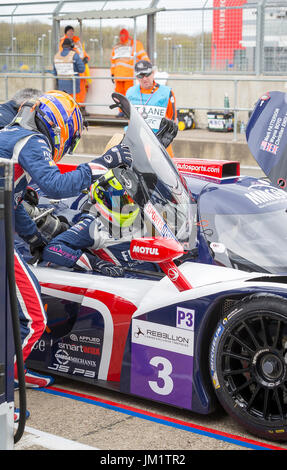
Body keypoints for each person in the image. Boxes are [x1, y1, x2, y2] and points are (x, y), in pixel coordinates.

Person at [0, 90, 132, 399]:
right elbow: (56, 185)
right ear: (61, 125)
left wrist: (33, 237)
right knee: (34, 318)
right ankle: (5, 392)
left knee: (12, 310)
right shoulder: (31, 142)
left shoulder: (12, 135)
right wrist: (104, 163)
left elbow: (14, 199)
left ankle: (14, 368)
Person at [126, 60, 178, 157]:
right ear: (136, 76)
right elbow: (129, 119)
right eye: (140, 76)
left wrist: (166, 136)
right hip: (138, 141)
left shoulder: (166, 92)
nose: (145, 79)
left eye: (147, 74)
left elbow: (173, 119)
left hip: (160, 141)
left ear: (153, 73)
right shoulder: (130, 92)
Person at [110, 28, 150, 115]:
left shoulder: (135, 44)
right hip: (118, 75)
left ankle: (128, 112)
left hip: (129, 76)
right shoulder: (117, 47)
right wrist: (112, 73)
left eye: (123, 35)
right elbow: (113, 62)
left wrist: (148, 67)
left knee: (129, 95)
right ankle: (121, 112)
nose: (122, 37)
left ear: (127, 36)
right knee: (119, 95)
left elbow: (143, 56)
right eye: (120, 35)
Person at [59, 25, 91, 115]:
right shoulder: (64, 42)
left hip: (81, 70)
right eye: (69, 31)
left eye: (72, 31)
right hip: (73, 70)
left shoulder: (77, 41)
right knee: (73, 91)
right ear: (66, 33)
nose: (71, 33)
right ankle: (75, 109)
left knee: (82, 90)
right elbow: (65, 54)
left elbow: (82, 52)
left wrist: (86, 58)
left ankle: (82, 107)